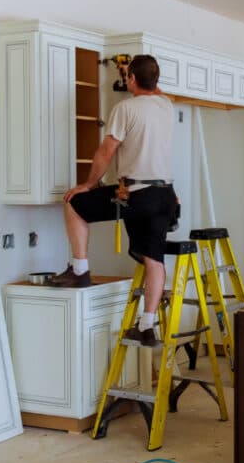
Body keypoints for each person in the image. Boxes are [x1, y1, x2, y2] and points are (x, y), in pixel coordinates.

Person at [50, 54, 176, 346]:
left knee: (74, 204)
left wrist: (88, 184)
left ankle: (80, 270)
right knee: (154, 260)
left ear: (131, 79)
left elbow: (106, 152)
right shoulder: (166, 105)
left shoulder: (125, 108)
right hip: (165, 195)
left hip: (136, 194)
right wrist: (133, 73)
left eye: (128, 77)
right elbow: (151, 86)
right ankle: (147, 326)